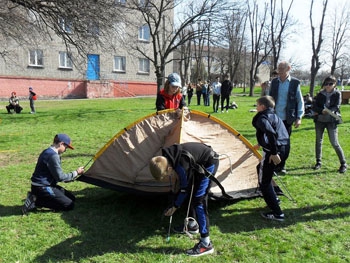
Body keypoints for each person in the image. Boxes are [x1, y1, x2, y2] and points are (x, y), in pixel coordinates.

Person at [149, 142, 219, 257]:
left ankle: (206, 244)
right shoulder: (167, 158)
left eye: (167, 175)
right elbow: (186, 188)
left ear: (170, 168)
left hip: (209, 162)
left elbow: (184, 189)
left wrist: (175, 206)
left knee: (199, 201)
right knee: (191, 192)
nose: (169, 177)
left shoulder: (180, 165)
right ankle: (192, 226)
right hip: (198, 163)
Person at [22, 134, 85, 215]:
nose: (66, 150)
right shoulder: (53, 156)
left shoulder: (46, 151)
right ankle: (36, 201)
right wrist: (76, 172)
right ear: (61, 144)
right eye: (66, 147)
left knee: (72, 198)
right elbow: (60, 177)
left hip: (39, 185)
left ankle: (37, 196)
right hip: (43, 187)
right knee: (69, 205)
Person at [252, 96, 289, 221]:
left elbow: (271, 133)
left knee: (264, 182)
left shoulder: (262, 118)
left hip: (274, 151)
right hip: (284, 148)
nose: (256, 107)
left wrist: (273, 152)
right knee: (261, 169)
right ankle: (274, 198)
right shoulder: (274, 116)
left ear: (263, 107)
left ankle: (277, 213)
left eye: (257, 105)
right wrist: (261, 144)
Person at [269, 61, 304, 174]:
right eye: (278, 68)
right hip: (274, 118)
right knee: (273, 142)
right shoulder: (274, 82)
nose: (279, 70)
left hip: (287, 119)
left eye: (281, 68)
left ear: (288, 68)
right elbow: (270, 99)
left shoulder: (294, 83)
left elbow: (300, 101)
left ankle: (282, 165)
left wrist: (299, 117)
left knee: (284, 143)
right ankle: (273, 165)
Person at [312, 76, 347, 173]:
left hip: (331, 120)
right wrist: (321, 111)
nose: (328, 86)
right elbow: (315, 106)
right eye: (326, 84)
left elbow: (337, 106)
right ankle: (318, 162)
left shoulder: (337, 94)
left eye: (330, 84)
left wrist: (329, 111)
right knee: (318, 142)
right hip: (320, 120)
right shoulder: (320, 94)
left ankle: (343, 163)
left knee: (334, 143)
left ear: (335, 84)